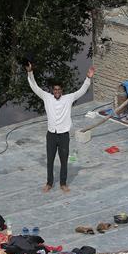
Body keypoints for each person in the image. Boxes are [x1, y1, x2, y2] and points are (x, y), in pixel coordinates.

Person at [26, 62, 95, 193]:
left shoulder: (68, 98)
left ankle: (63, 183)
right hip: (51, 134)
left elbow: (81, 91)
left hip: (64, 135)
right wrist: (30, 72)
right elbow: (35, 87)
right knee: (50, 161)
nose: (57, 92)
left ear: (62, 91)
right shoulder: (47, 97)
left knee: (64, 160)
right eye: (55, 90)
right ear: (53, 91)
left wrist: (88, 78)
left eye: (59, 90)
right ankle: (49, 183)